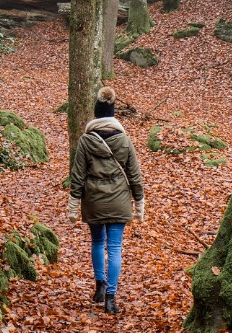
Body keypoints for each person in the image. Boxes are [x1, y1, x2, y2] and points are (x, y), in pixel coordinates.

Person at [67, 86, 145, 314]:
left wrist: (73, 206)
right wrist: (139, 204)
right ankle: (111, 298)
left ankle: (99, 287)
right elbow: (135, 176)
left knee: (97, 242)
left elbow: (77, 176)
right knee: (115, 248)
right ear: (113, 114)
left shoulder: (85, 141)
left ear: (96, 113)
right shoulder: (125, 141)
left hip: (93, 200)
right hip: (119, 201)